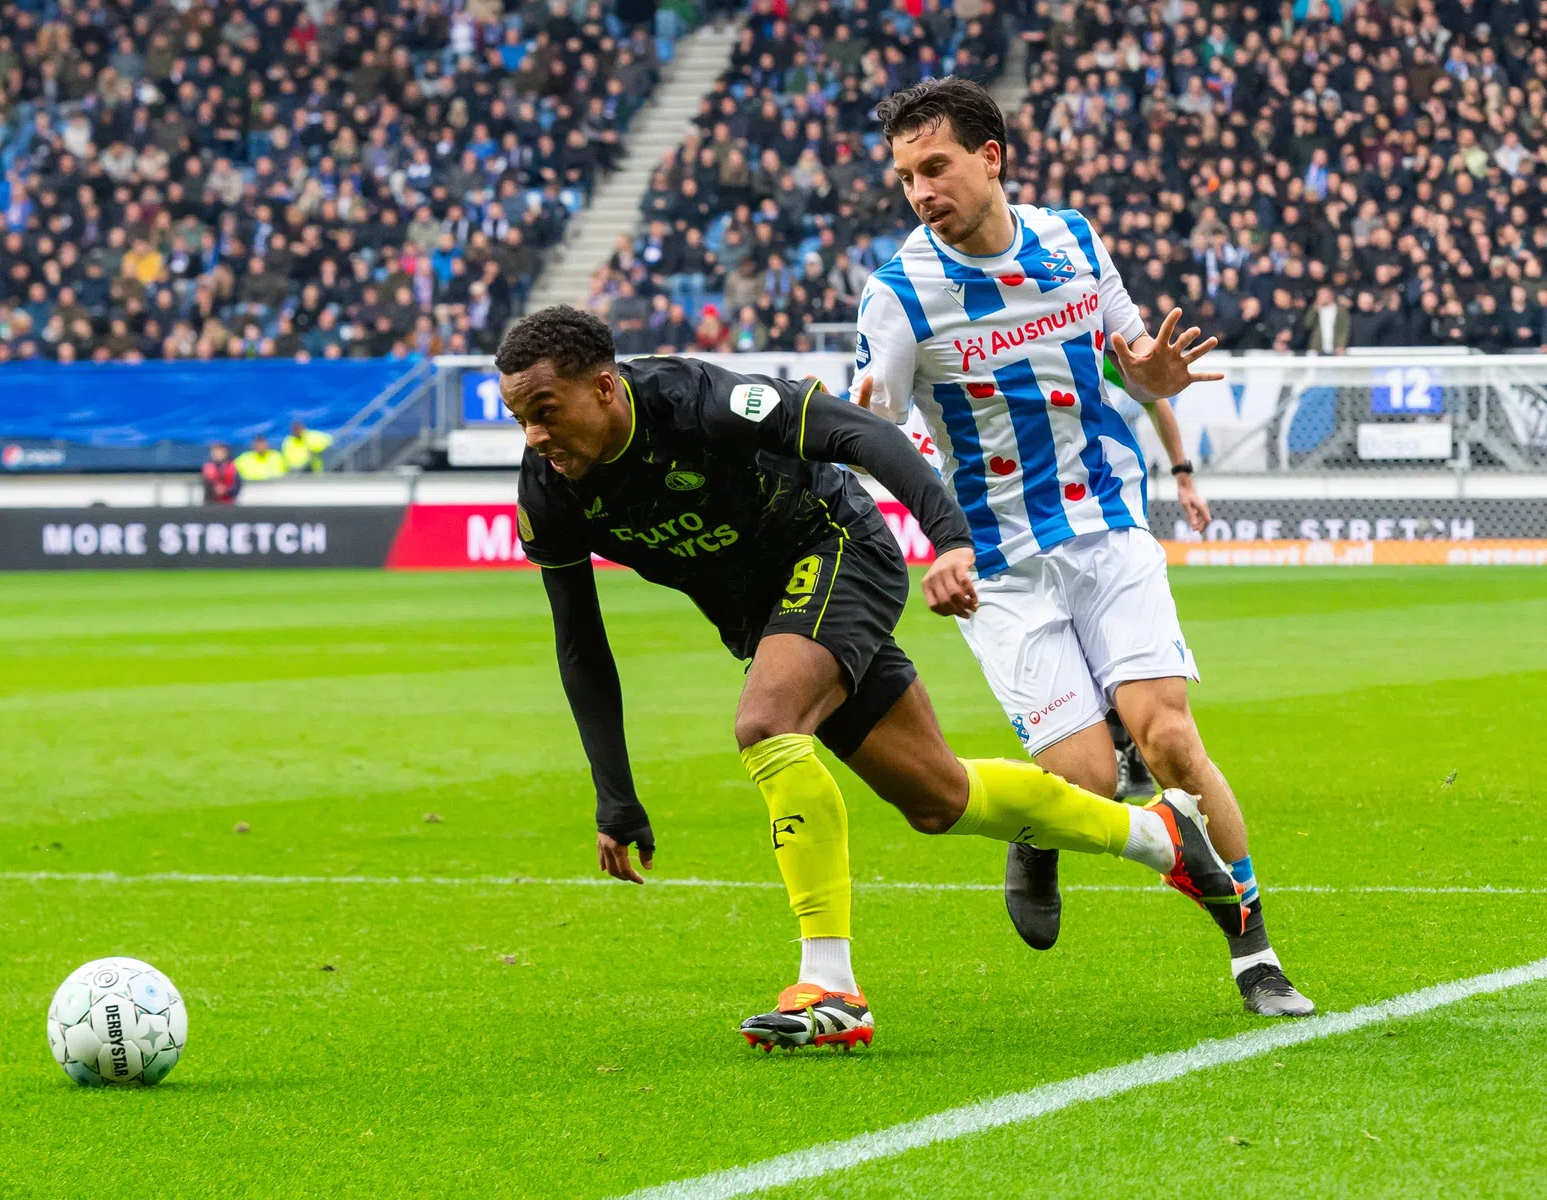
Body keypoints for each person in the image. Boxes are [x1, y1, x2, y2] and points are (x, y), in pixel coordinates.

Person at [500, 306, 1246, 1051]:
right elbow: (580, 642)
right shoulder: (550, 490)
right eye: (520, 419)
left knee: (766, 723)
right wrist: (614, 793)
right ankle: (1158, 834)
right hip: (770, 616)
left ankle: (831, 987)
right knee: (939, 797)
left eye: (545, 412)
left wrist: (950, 538)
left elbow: (866, 435)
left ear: (603, 389)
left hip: (838, 547)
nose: (536, 436)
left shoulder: (698, 402)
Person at [851, 77, 1312, 1017]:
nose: (921, 191)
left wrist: (1148, 372)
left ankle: (1254, 952)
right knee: (1089, 780)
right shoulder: (900, 294)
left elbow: (1134, 351)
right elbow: (874, 440)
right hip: (997, 562)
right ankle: (1039, 829)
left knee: (1171, 739)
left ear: (992, 156)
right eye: (905, 177)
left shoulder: (1073, 238)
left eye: (935, 166)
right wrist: (930, 542)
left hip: (1105, 524)